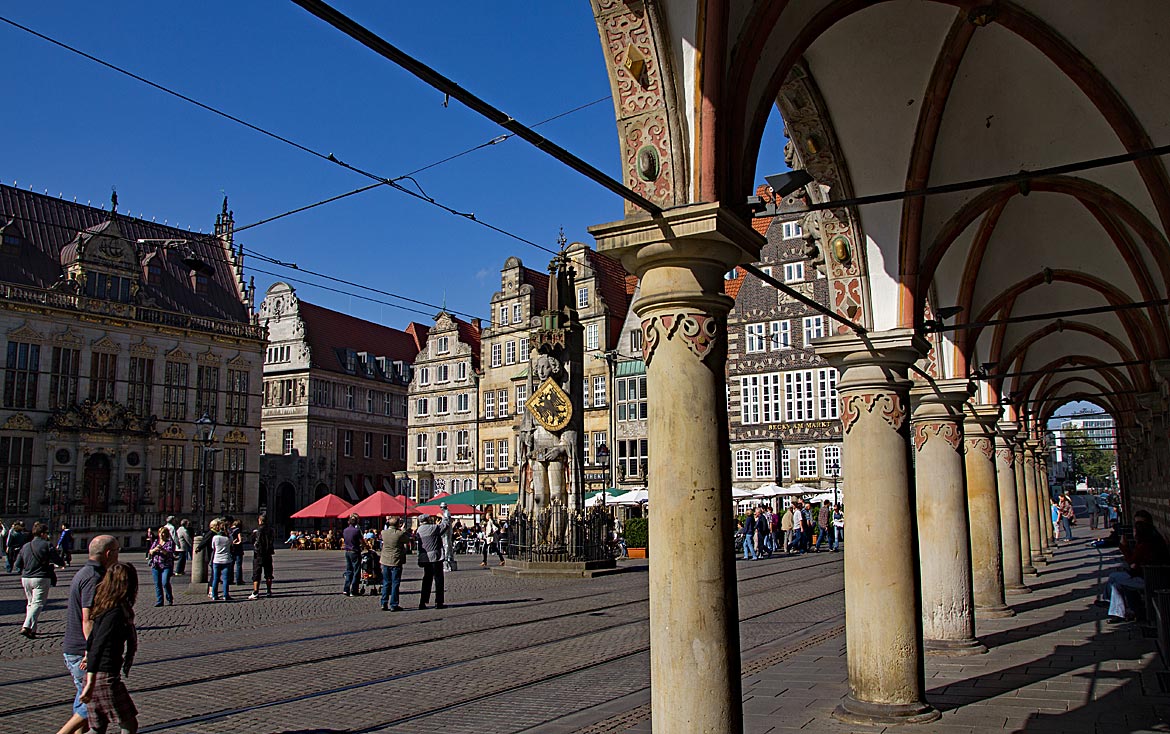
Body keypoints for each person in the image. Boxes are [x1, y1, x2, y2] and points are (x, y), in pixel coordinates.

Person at [60, 535, 120, 734]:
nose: (118, 557)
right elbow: (88, 618)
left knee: (87, 704)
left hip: (76, 647)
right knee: (89, 705)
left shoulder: (85, 572)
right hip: (81, 650)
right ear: (108, 553)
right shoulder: (93, 577)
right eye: (117, 552)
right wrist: (91, 651)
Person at [79, 562, 139, 734]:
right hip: (103, 676)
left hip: (100, 674)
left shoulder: (106, 606)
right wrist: (90, 681)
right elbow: (98, 644)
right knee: (128, 724)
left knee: (98, 727)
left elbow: (91, 640)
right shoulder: (115, 612)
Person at [1102, 510, 1170, 623]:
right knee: (1116, 584)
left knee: (1114, 577)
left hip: (1149, 579)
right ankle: (1118, 612)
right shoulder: (1153, 538)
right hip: (1152, 576)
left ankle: (1109, 602)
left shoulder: (1144, 544)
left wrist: (1124, 546)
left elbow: (1131, 561)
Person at [16, 521, 62, 639]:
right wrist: (61, 563)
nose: (47, 535)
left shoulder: (25, 546)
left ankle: (33, 629)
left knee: (31, 604)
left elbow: (17, 564)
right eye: (46, 533)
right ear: (42, 534)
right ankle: (26, 626)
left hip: (26, 577)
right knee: (37, 604)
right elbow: (56, 558)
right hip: (41, 577)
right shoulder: (47, 545)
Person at [416, 514, 449, 609]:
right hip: (435, 557)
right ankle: (439, 602)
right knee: (438, 579)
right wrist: (443, 516)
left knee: (427, 579)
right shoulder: (433, 528)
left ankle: (423, 602)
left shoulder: (419, 530)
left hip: (425, 558)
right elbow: (445, 525)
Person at [379, 516, 408, 611]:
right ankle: (394, 604)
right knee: (395, 583)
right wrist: (403, 530)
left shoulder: (384, 533)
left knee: (386, 582)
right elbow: (407, 540)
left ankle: (384, 602)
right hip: (396, 560)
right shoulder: (399, 534)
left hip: (385, 560)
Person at [146, 526, 175, 607]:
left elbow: (169, 553)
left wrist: (162, 549)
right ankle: (160, 600)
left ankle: (169, 598)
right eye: (160, 533)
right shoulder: (156, 542)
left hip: (166, 565)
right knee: (157, 583)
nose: (161, 535)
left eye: (163, 533)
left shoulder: (170, 543)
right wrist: (155, 549)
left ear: (166, 534)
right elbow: (150, 551)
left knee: (165, 582)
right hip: (155, 565)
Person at [249, 514, 276, 600]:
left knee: (256, 573)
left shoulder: (256, 531)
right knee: (268, 574)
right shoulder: (271, 530)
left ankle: (256, 591)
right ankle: (268, 591)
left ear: (260, 521)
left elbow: (251, 540)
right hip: (268, 554)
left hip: (258, 554)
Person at [342, 514, 363, 597]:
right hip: (354, 551)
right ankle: (354, 590)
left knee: (349, 570)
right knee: (356, 571)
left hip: (347, 551)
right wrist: (367, 547)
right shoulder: (356, 531)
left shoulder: (345, 530)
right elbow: (362, 541)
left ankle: (346, 589)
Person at [210, 522, 232, 601]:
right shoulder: (228, 538)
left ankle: (214, 595)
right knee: (225, 579)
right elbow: (231, 546)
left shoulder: (215, 537)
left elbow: (213, 547)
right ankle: (226, 595)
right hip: (226, 559)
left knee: (215, 578)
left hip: (216, 560)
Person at [441, 503, 457, 572]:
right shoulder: (447, 512)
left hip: (446, 533)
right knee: (448, 545)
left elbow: (446, 523)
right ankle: (450, 558)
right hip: (448, 532)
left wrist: (441, 517)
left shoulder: (446, 513)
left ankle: (447, 559)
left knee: (446, 545)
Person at [229, 519, 245, 585]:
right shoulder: (238, 530)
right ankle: (239, 580)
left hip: (231, 549)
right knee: (238, 565)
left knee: (231, 565)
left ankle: (230, 579)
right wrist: (238, 542)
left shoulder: (229, 530)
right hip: (238, 550)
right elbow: (240, 539)